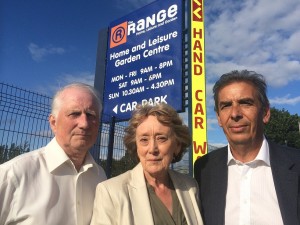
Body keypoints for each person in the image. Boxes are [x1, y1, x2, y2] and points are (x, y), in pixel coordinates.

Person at [194, 70, 300, 225]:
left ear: (265, 113)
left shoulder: (296, 163)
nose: (235, 113)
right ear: (218, 118)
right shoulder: (204, 169)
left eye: (245, 103)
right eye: (226, 105)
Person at [0, 83, 107, 225]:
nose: (84, 123)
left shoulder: (100, 177)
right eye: (74, 113)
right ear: (53, 123)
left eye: (91, 115)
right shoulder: (12, 175)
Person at [90, 103, 204, 225]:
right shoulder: (110, 192)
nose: (152, 149)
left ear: (177, 145)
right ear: (136, 146)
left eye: (161, 138)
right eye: (144, 140)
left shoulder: (190, 186)